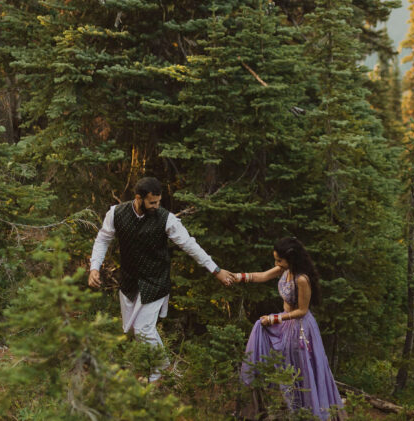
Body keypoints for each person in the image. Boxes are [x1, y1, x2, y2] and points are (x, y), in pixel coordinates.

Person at [89, 176, 236, 383]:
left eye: (158, 202)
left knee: (143, 328)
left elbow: (189, 244)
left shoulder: (166, 219)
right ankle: (163, 366)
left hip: (156, 280)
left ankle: (159, 375)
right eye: (152, 202)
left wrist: (215, 270)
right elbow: (102, 239)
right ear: (138, 198)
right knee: (134, 329)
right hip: (129, 280)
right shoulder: (116, 213)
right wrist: (94, 268)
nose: (156, 206)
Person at [237, 237, 344, 420]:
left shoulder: (301, 279)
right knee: (261, 331)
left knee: (301, 367)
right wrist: (240, 277)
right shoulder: (283, 270)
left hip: (301, 328)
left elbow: (302, 311)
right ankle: (279, 407)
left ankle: (307, 412)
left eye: (279, 260)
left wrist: (274, 318)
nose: (276, 263)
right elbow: (262, 276)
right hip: (286, 323)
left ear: (291, 259)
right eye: (276, 259)